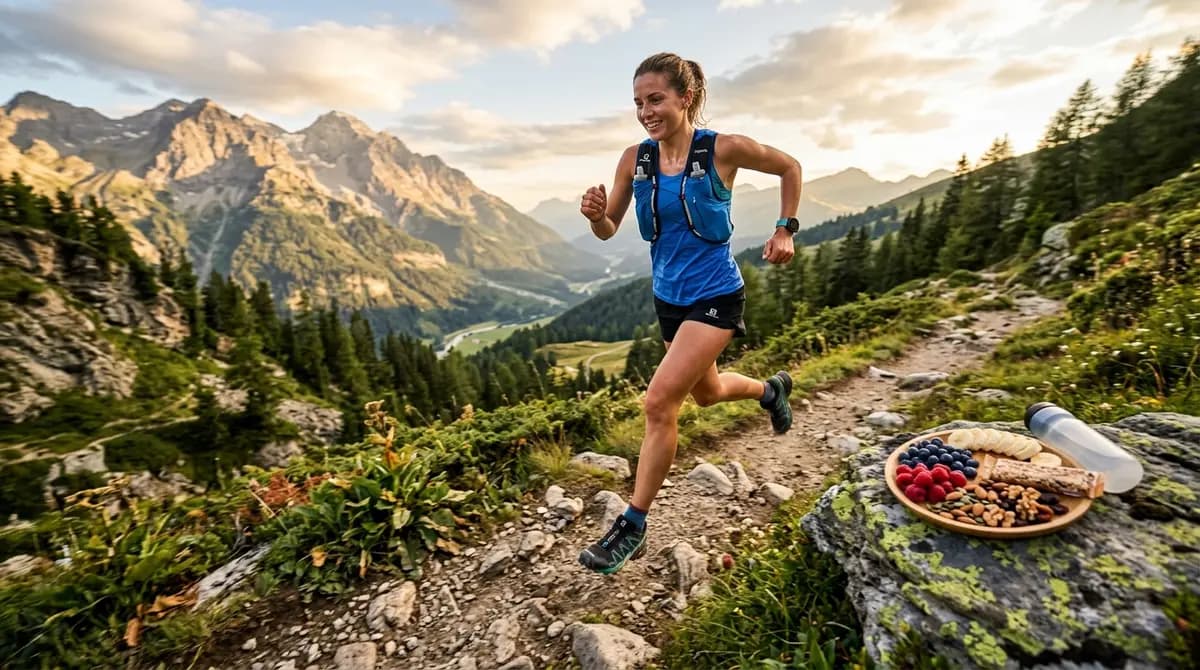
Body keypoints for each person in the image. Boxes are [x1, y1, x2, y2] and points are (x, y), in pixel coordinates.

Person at [577, 52, 803, 574]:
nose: (645, 111)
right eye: (638, 102)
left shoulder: (724, 148)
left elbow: (789, 166)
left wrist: (785, 227)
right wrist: (594, 216)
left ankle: (632, 525)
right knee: (709, 393)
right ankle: (772, 391)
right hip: (670, 300)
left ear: (686, 98)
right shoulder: (635, 158)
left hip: (716, 295)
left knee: (659, 403)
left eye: (655, 99)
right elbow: (609, 227)